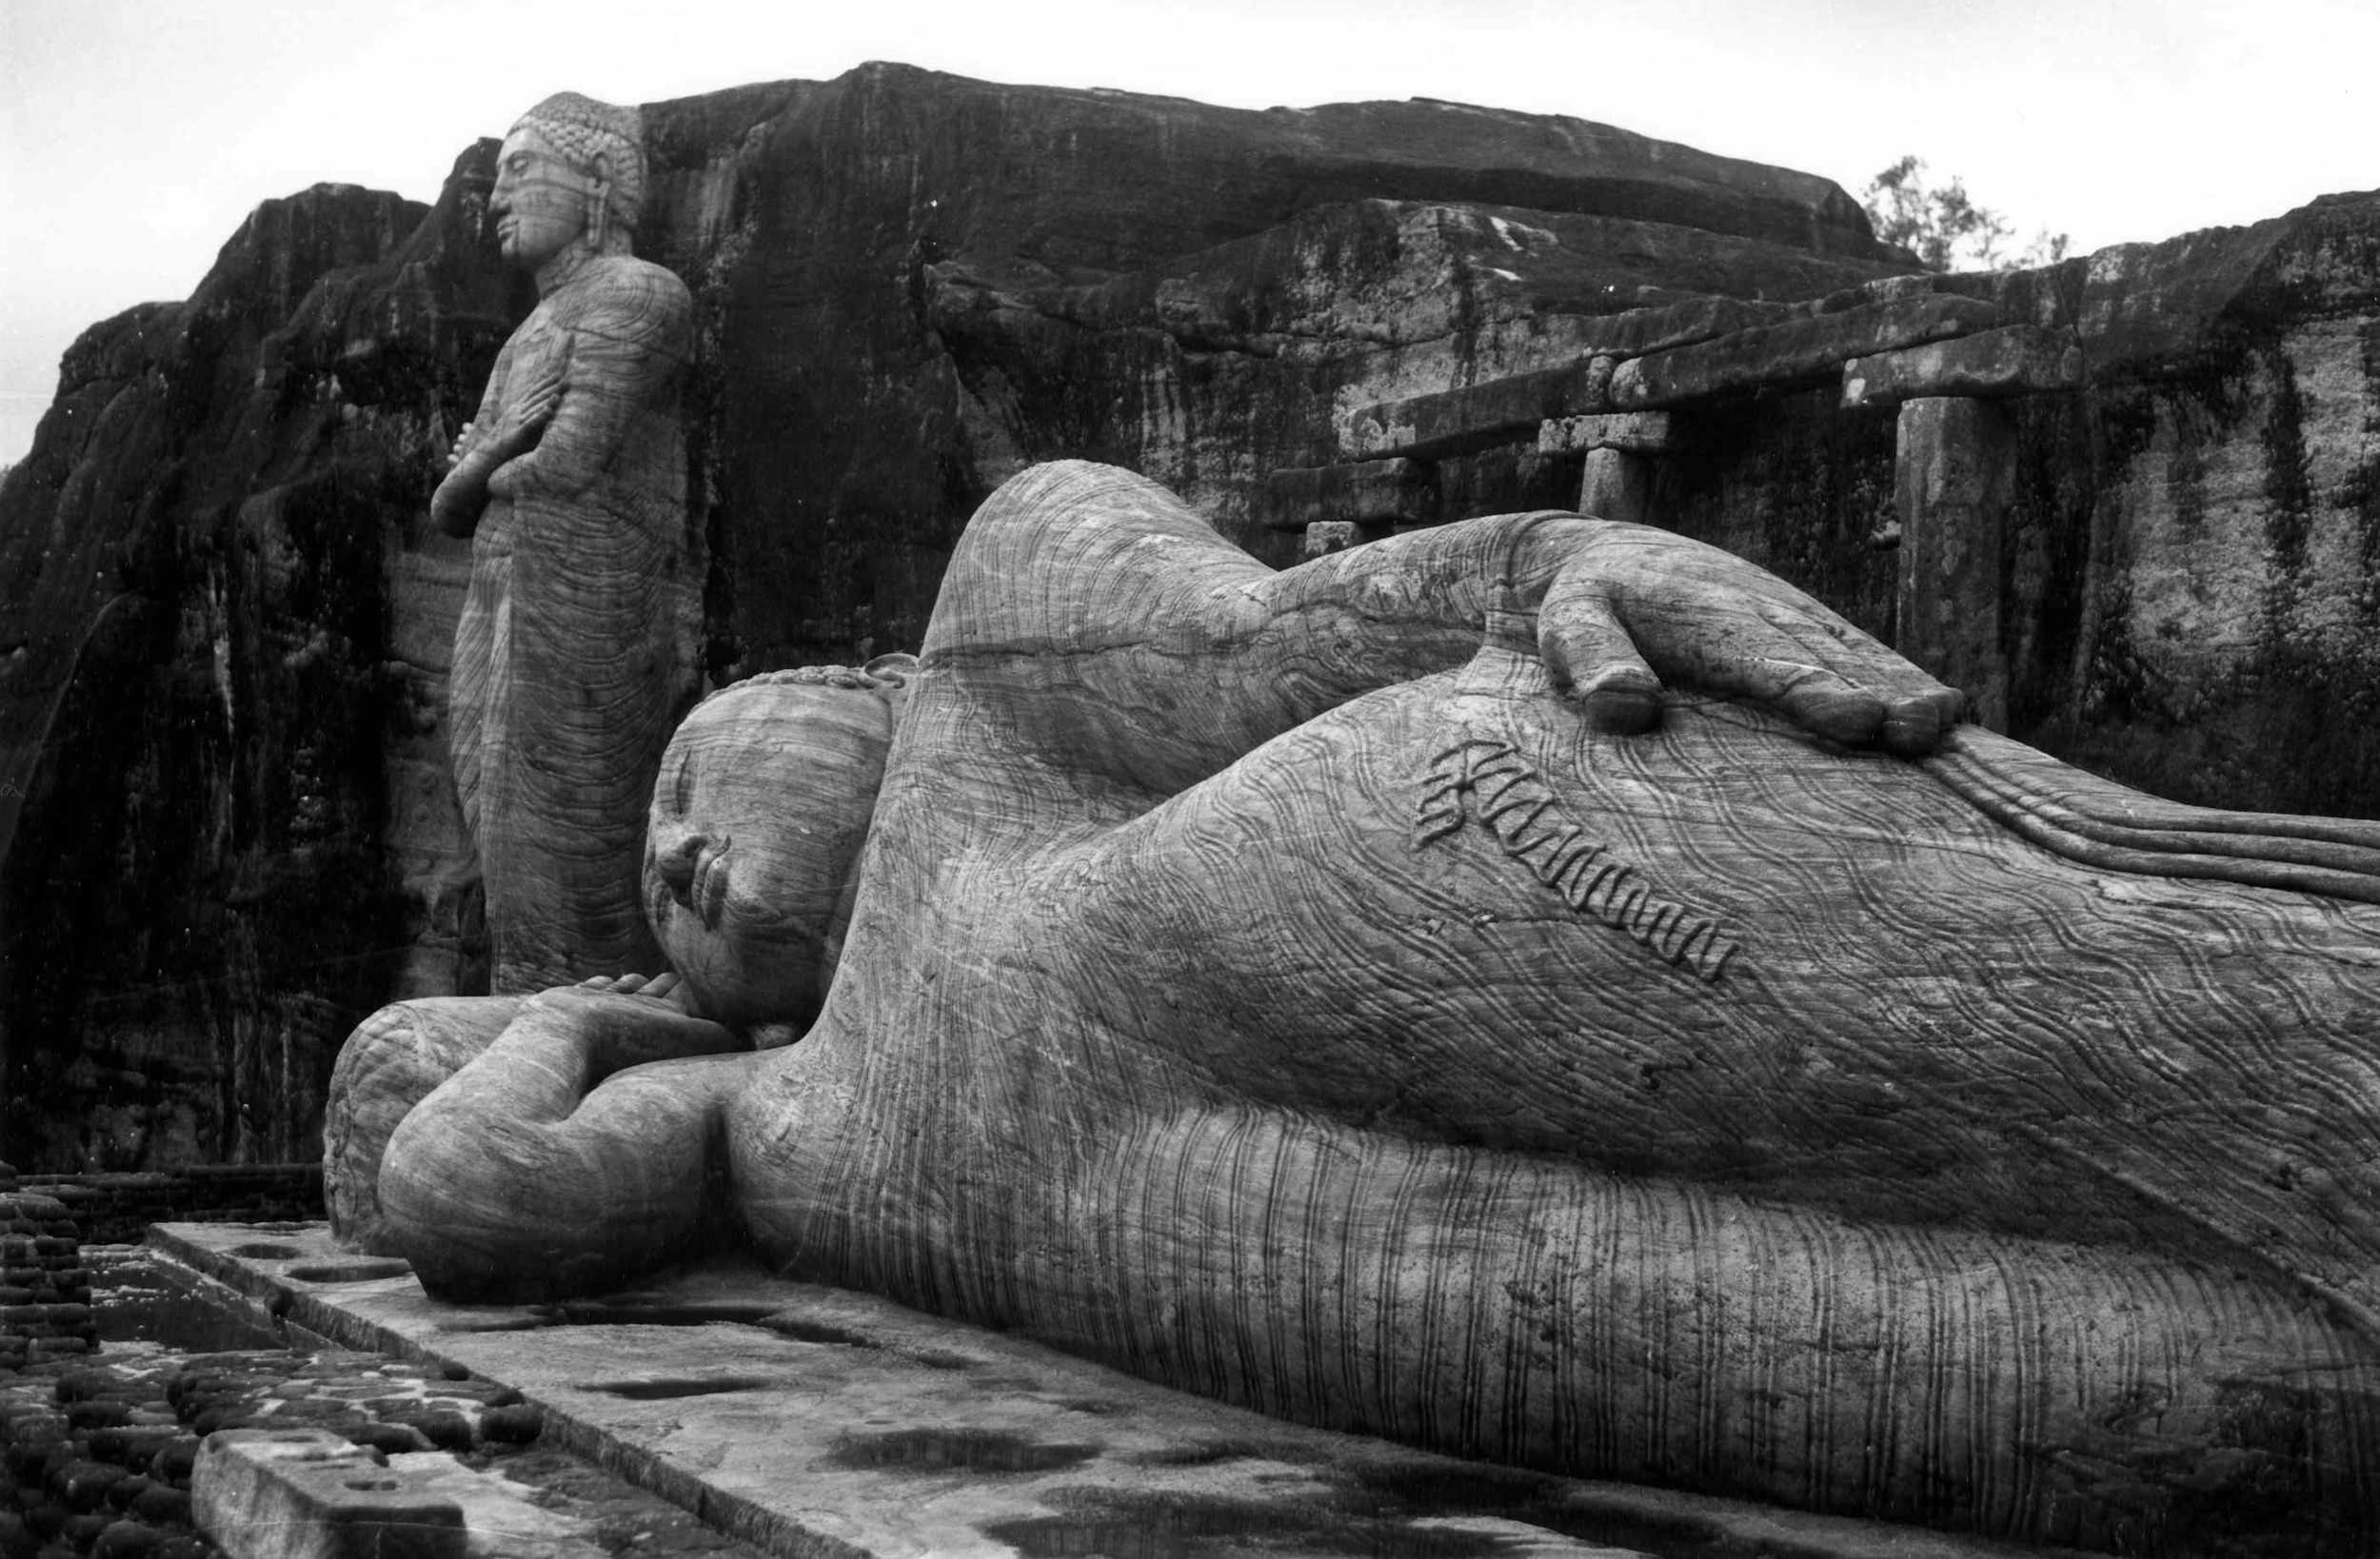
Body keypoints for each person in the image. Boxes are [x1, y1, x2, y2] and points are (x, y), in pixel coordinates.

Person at [340, 460, 2380, 1549]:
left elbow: (1267, 634)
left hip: (1489, 869)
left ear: (824, 682)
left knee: (2218, 1031)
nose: (678, 865)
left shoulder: (995, 648)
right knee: (2150, 1412)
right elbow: (468, 1190)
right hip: (1415, 1275)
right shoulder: (779, 1120)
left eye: (689, 777)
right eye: (655, 906)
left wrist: (1562, 551)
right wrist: (601, 1020)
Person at [430, 91, 698, 991]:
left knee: (569, 834)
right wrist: (506, 450)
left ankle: (588, 1015)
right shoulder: (526, 337)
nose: (498, 199)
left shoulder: (641, 296)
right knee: (495, 826)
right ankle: (524, 1009)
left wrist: (496, 464)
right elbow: (450, 503)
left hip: (585, 594)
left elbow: (568, 460)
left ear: (596, 180)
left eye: (520, 171)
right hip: (497, 591)